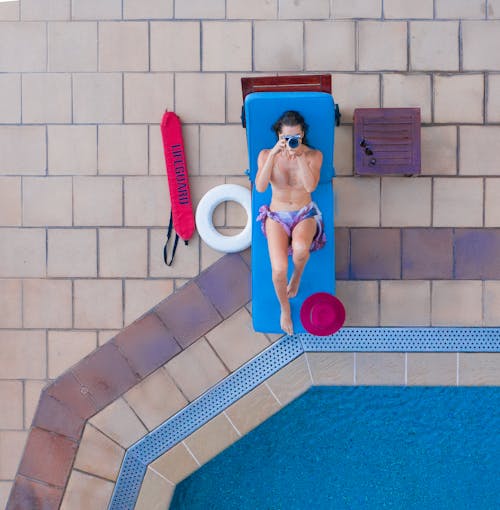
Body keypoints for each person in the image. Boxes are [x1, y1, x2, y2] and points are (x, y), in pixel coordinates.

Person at [255, 110, 325, 335]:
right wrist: (275, 154)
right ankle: (284, 308)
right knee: (278, 270)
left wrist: (299, 157)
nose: (290, 142)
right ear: (278, 135)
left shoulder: (313, 155)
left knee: (301, 250)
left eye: (295, 137)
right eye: (286, 138)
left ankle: (297, 277)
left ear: (302, 134)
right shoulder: (267, 154)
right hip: (277, 214)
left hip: (303, 212)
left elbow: (310, 187)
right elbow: (260, 187)